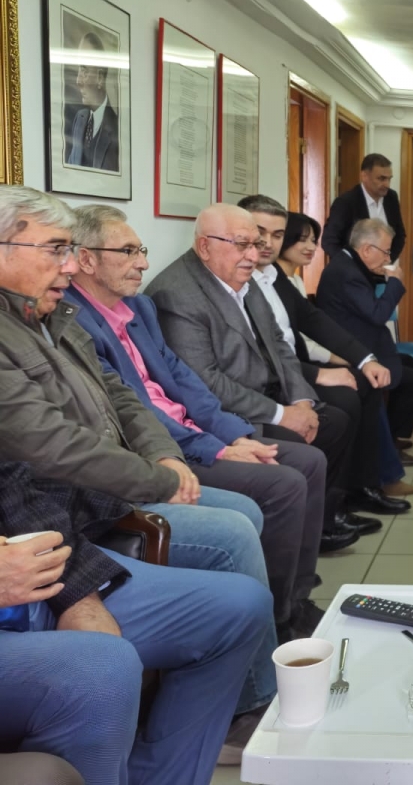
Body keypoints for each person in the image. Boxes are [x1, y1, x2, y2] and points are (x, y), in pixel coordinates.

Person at [0, 186, 276, 761]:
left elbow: (127, 394)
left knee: (246, 597)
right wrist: (159, 480)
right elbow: (43, 453)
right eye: (55, 249)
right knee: (106, 664)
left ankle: (181, 756)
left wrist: (165, 458)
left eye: (70, 250)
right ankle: (248, 705)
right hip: (76, 518)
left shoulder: (55, 315)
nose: (68, 266)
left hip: (78, 516)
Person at [65, 203, 341, 637]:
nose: (143, 263)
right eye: (128, 252)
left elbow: (183, 379)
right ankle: (278, 619)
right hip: (163, 449)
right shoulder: (75, 323)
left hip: (196, 432)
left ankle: (295, 599)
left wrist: (235, 433)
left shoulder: (137, 308)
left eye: (141, 250)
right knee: (283, 483)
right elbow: (134, 411)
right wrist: (218, 449)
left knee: (309, 461)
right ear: (86, 260)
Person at [0, 458, 273, 784]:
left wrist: (79, 597)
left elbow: (10, 484)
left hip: (29, 573)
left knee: (239, 607)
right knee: (104, 667)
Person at [144, 204, 360, 544]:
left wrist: (301, 401)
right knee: (301, 453)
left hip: (266, 394)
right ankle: (293, 546)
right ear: (205, 246)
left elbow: (278, 343)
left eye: (256, 245)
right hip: (229, 414)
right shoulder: (175, 294)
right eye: (242, 245)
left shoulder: (242, 277)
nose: (254, 255)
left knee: (335, 422)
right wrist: (282, 415)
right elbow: (205, 381)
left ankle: (318, 528)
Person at [242, 195, 413, 508]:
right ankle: (341, 499)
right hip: (271, 381)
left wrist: (363, 359)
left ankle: (363, 485)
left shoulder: (274, 276)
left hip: (294, 367)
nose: (268, 243)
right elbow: (261, 353)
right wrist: (321, 372)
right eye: (261, 233)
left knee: (367, 382)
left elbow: (312, 320)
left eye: (277, 234)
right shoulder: (242, 279)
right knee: (348, 401)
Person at [315, 217, 413, 483]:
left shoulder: (349, 264)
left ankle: (390, 440)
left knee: (410, 370)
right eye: (386, 252)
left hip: (365, 346)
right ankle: (386, 449)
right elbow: (378, 314)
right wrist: (394, 283)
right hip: (352, 354)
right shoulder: (347, 273)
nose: (388, 258)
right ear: (367, 249)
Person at [322, 153, 405, 262]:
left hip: (383, 269)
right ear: (364, 176)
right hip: (352, 270)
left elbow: (399, 235)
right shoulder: (346, 202)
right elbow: (329, 241)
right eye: (381, 179)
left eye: (389, 179)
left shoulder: (391, 198)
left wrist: (387, 261)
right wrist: (351, 266)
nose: (387, 184)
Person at [65, 32, 118, 171]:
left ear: (100, 78)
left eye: (84, 71)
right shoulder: (79, 119)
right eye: (79, 70)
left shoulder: (117, 129)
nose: (78, 81)